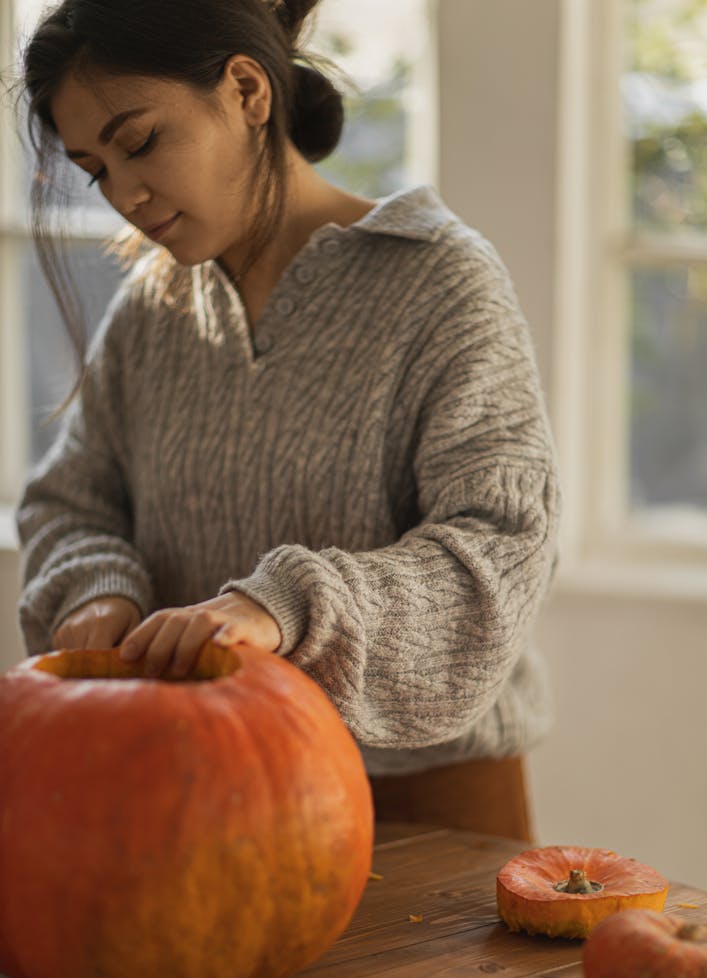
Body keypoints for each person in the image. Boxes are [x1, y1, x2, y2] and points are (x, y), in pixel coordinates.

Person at [15, 0, 560, 837]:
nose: (123, 194)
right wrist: (96, 589)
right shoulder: (151, 311)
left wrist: (284, 609)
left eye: (139, 142)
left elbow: (501, 546)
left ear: (245, 90)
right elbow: (70, 501)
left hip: (425, 802)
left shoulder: (439, 282)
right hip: (187, 790)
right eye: (95, 170)